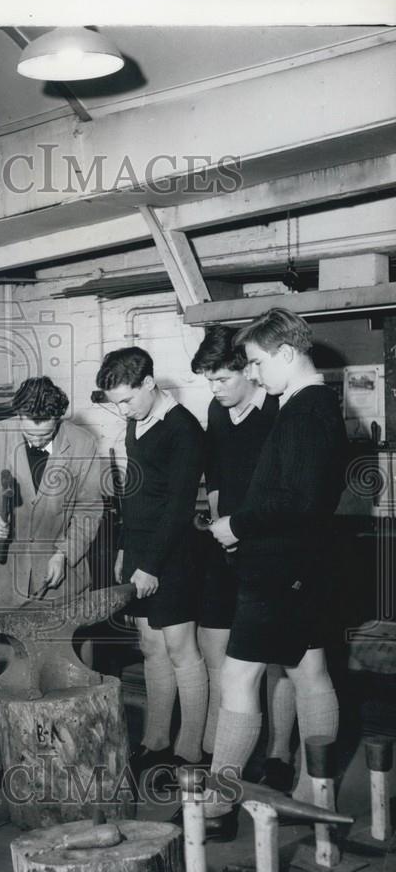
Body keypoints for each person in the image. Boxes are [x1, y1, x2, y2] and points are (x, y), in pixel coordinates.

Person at [203, 308, 347, 839]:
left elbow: (299, 499)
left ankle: (217, 808)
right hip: (301, 566)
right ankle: (317, 795)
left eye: (259, 363)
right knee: (311, 673)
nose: (256, 375)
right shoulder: (310, 403)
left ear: (286, 353)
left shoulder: (308, 408)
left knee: (239, 677)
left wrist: (238, 523)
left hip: (280, 567)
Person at [191, 325, 297, 791]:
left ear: (250, 371)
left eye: (221, 380)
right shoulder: (218, 410)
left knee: (276, 657)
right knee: (219, 651)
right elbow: (215, 469)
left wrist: (244, 530)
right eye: (209, 382)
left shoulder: (278, 410)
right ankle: (224, 753)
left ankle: (278, 755)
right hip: (224, 541)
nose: (214, 391)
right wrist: (220, 520)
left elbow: (287, 494)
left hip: (269, 546)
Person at [94, 347, 207, 774]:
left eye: (127, 399)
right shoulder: (137, 423)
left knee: (181, 650)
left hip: (173, 553)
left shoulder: (184, 430)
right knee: (151, 647)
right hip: (142, 550)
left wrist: (153, 565)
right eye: (115, 402)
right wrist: (126, 547)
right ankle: (156, 740)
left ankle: (190, 751)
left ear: (148, 383)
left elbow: (177, 508)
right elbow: (135, 495)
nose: (122, 410)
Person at [0, 376, 102, 610]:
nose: (37, 441)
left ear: (57, 419)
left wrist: (64, 554)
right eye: (29, 434)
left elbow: (89, 509)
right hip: (5, 580)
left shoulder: (82, 443)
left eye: (45, 436)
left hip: (62, 578)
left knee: (59, 646)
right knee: (5, 646)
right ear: (18, 415)